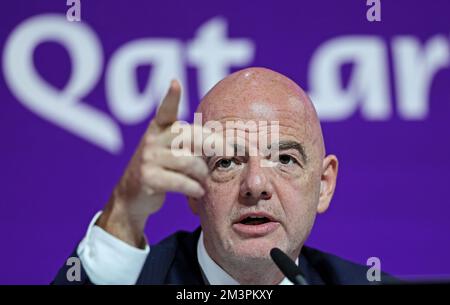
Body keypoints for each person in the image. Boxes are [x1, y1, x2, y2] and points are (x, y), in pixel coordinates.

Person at [53, 67, 391, 285]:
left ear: (323, 185)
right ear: (193, 186)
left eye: (284, 158)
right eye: (227, 162)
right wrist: (125, 215)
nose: (256, 185)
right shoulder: (136, 281)